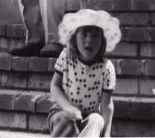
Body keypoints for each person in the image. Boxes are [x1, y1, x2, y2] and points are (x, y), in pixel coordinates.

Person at [48, 9, 121, 137]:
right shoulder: (66, 57)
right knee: (64, 120)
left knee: (97, 120)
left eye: (95, 36)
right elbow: (55, 86)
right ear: (74, 38)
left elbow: (107, 104)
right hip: (63, 110)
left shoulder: (106, 67)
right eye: (83, 34)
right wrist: (68, 107)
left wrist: (107, 133)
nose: (89, 41)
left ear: (103, 40)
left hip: (90, 114)